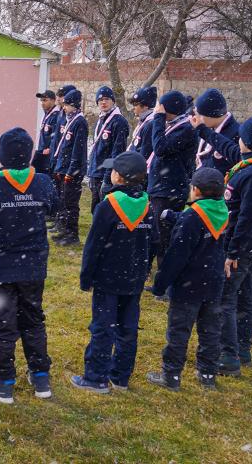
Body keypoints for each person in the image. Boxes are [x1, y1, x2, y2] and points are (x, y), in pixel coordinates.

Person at [0, 128, 59, 405]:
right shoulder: (43, 183)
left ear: (0, 155)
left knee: (2, 325)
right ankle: (40, 377)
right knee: (33, 319)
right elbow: (54, 208)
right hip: (32, 268)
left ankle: (4, 381)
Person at [71, 151, 158, 394]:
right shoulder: (147, 205)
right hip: (134, 278)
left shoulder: (108, 206)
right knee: (128, 329)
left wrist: (86, 277)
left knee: (102, 327)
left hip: (108, 278)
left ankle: (96, 378)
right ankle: (120, 377)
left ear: (118, 177)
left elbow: (93, 246)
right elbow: (154, 241)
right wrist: (144, 269)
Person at [147, 168, 228, 391]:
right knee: (210, 331)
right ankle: (207, 373)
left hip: (188, 285)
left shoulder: (192, 217)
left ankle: (171, 375)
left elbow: (176, 255)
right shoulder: (222, 211)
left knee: (179, 331)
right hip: (213, 282)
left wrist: (160, 284)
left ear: (196, 190)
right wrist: (174, 217)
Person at [217, 115, 252, 375]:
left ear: (249, 141)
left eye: (242, 136)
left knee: (226, 297)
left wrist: (233, 252)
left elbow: (247, 216)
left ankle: (228, 355)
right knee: (245, 293)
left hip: (243, 242)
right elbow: (225, 146)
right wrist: (202, 130)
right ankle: (242, 350)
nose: (237, 140)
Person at [148, 91, 198, 268]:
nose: (157, 110)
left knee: (164, 235)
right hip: (160, 186)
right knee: (155, 232)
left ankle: (165, 274)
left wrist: (158, 119)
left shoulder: (185, 129)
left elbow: (160, 148)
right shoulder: (174, 125)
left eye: (161, 108)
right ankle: (150, 268)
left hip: (170, 189)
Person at [51, 88, 88, 245]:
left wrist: (71, 171)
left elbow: (77, 150)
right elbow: (64, 146)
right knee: (64, 201)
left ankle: (73, 235)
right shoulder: (69, 120)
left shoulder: (80, 122)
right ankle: (65, 231)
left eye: (66, 105)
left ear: (74, 105)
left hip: (73, 171)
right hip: (63, 167)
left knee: (71, 203)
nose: (64, 107)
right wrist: (59, 167)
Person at [86, 86, 129, 211]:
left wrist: (107, 177)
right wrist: (91, 173)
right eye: (100, 100)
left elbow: (117, 152)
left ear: (113, 101)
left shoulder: (119, 122)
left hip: (107, 174)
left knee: (106, 210)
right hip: (96, 172)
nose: (103, 102)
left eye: (106, 99)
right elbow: (96, 148)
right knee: (95, 209)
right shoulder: (100, 120)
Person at [191, 88, 240, 175]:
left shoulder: (236, 134)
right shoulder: (205, 130)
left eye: (199, 115)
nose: (196, 118)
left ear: (211, 115)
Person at [31, 90, 60, 175]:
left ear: (53, 100)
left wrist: (50, 148)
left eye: (45, 100)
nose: (42, 103)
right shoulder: (46, 114)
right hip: (41, 151)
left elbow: (56, 135)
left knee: (45, 177)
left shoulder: (56, 115)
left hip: (47, 155)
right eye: (41, 100)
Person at [127, 86, 157, 159]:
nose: (133, 107)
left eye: (135, 104)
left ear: (145, 106)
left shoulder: (150, 124)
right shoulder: (144, 121)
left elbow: (144, 153)